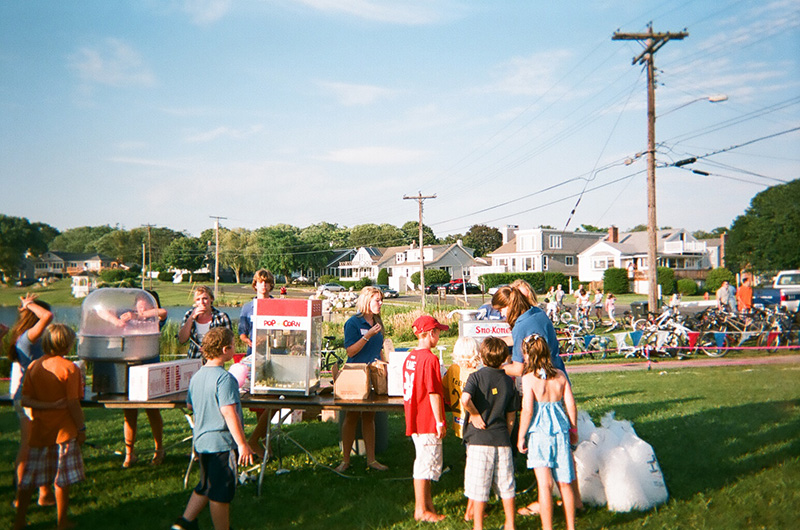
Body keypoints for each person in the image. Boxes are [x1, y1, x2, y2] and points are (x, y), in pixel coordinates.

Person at [491, 284, 581, 515]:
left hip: (540, 392)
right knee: (564, 452)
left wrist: (495, 366)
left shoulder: (521, 325)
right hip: (558, 380)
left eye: (501, 311)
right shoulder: (537, 313)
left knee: (543, 450)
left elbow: (521, 368)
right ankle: (575, 500)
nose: (501, 316)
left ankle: (545, 500)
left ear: (509, 306)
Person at [172, 327, 254, 530]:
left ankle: (185, 523)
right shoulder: (225, 379)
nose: (235, 349)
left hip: (201, 442)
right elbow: (228, 413)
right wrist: (242, 444)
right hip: (222, 444)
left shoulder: (197, 376)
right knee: (221, 490)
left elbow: (190, 405)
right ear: (226, 349)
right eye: (234, 345)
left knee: (206, 484)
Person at [14, 324, 85, 530]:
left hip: (39, 431)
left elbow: (25, 400)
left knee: (28, 479)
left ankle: (19, 520)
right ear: (67, 345)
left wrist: (47, 406)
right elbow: (73, 403)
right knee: (61, 479)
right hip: (64, 432)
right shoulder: (70, 368)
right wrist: (81, 428)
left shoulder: (34, 366)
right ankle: (62, 521)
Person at [516, 335, 578, 530]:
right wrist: (573, 427)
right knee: (565, 483)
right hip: (560, 431)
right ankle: (570, 526)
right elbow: (570, 403)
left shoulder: (528, 379)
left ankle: (547, 527)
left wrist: (520, 435)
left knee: (545, 485)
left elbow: (527, 410)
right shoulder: (560, 375)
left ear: (527, 355)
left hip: (539, 432)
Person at [460, 337, 518, 530]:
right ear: (504, 358)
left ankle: (478, 525)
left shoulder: (475, 377)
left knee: (479, 485)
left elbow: (465, 398)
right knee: (506, 483)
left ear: (482, 357)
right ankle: (510, 523)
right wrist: (507, 435)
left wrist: (475, 414)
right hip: (501, 438)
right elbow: (511, 416)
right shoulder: (509, 382)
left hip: (479, 439)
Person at [7, 293, 55, 508]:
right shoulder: (28, 337)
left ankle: (44, 493)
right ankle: (21, 496)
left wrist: (26, 308)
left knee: (41, 446)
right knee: (28, 447)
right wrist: (30, 305)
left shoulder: (28, 337)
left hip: (34, 397)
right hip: (29, 399)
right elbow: (47, 315)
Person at [336, 286, 388, 472]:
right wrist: (367, 335)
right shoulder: (353, 323)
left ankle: (371, 460)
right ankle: (346, 460)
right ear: (366, 301)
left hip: (374, 375)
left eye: (381, 300)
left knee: (369, 416)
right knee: (351, 416)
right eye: (377, 300)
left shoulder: (377, 321)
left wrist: (385, 365)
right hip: (356, 375)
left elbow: (379, 349)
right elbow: (350, 351)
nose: (381, 303)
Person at [403, 314, 449, 523]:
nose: (439, 335)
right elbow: (433, 392)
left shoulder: (410, 356)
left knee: (424, 460)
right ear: (431, 333)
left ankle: (427, 504)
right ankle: (420, 509)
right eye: (438, 332)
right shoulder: (430, 359)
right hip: (427, 419)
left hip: (414, 417)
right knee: (424, 464)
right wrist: (439, 420)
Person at [120, 290, 168, 468]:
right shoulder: (129, 319)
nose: (141, 308)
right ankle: (129, 454)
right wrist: (123, 318)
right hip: (130, 368)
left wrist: (140, 314)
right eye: (139, 305)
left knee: (152, 411)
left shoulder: (155, 320)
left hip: (150, 369)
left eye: (146, 305)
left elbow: (163, 313)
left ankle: (159, 449)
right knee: (129, 413)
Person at [238, 269, 278, 460]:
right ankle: (258, 444)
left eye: (267, 282)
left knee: (272, 399)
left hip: (273, 357)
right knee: (258, 402)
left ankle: (259, 440)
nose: (263, 285)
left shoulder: (276, 305)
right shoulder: (248, 307)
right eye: (260, 282)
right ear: (255, 285)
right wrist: (251, 343)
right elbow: (242, 333)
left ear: (271, 285)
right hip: (253, 357)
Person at [442, 336, 480, 523]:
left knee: (470, 459)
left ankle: (474, 499)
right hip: (475, 425)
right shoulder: (477, 373)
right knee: (475, 464)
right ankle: (473, 503)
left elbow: (444, 391)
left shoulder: (452, 370)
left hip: (459, 423)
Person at [178, 285, 232, 359]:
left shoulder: (221, 317)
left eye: (205, 298)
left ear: (211, 299)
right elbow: (182, 339)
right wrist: (191, 318)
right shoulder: (189, 314)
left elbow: (229, 342)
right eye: (198, 299)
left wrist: (210, 349)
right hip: (193, 358)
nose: (202, 302)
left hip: (214, 360)